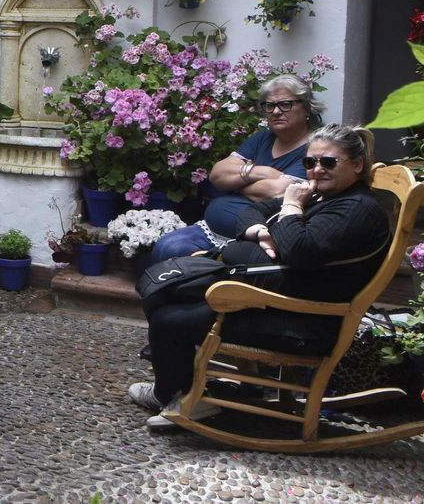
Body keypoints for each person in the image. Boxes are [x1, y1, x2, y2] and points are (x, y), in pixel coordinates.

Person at [129, 124, 392, 430]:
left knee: (171, 319)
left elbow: (298, 251)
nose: (316, 170)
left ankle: (184, 397)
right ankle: (174, 389)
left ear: (357, 165)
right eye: (310, 163)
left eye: (328, 162)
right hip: (277, 301)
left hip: (303, 321)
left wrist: (292, 206)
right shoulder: (322, 196)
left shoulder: (356, 208)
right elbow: (253, 211)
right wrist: (261, 232)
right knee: (162, 291)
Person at [148, 74, 319, 262]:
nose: (276, 111)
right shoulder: (263, 139)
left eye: (285, 104)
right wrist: (263, 172)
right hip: (215, 229)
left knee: (179, 253)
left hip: (261, 236)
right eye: (269, 106)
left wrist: (237, 182)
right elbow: (218, 175)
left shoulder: (315, 147)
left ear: (306, 108)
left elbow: (276, 192)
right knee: (165, 246)